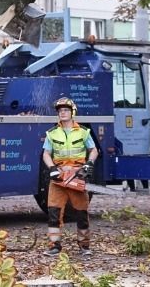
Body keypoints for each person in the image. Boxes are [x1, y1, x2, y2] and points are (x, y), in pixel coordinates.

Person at [42, 96, 98, 257]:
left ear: (72, 112)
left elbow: (93, 150)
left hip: (76, 175)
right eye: (60, 111)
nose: (63, 113)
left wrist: (88, 164)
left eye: (66, 110)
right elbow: (46, 153)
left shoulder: (83, 132)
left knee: (81, 213)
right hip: (58, 177)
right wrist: (52, 168)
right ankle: (54, 245)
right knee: (53, 213)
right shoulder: (52, 133)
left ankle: (84, 245)